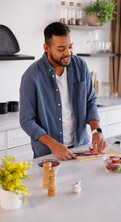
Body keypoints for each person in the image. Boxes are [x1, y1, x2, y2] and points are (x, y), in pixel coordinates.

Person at [19, 22, 107, 160]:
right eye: (61, 49)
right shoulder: (31, 76)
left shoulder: (81, 66)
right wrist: (53, 144)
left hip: (81, 148)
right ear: (46, 48)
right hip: (49, 154)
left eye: (70, 46)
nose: (68, 53)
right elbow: (27, 121)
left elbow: (90, 101)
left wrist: (96, 130)